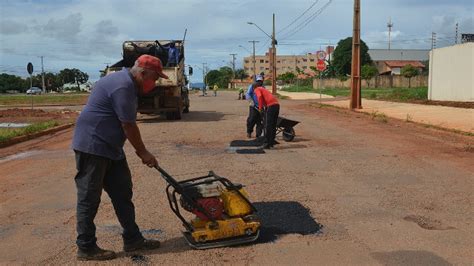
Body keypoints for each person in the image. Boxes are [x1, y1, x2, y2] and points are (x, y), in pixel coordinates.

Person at [71, 54, 168, 261]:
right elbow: (128, 124)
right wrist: (143, 152)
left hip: (111, 147)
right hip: (93, 146)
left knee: (122, 193)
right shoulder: (122, 86)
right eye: (155, 78)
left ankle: (133, 239)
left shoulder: (128, 84)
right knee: (89, 198)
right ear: (142, 73)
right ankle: (86, 247)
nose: (156, 82)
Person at [245, 74, 264, 139]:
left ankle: (258, 135)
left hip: (261, 106)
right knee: (251, 119)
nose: (260, 82)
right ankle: (249, 132)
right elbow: (248, 94)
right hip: (253, 106)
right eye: (258, 81)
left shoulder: (263, 87)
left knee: (260, 121)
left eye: (261, 81)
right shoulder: (252, 86)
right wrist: (251, 102)